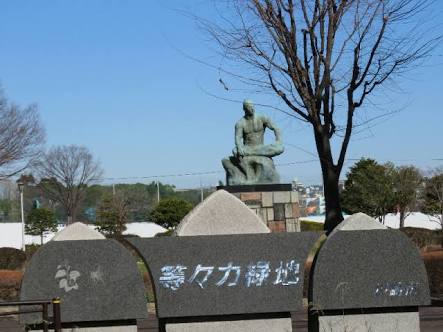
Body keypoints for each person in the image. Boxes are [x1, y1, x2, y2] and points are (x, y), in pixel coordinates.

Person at [222, 100, 284, 185]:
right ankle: (249, 176)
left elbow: (276, 128)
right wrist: (239, 147)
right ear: (244, 109)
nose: (252, 109)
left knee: (280, 148)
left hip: (261, 147)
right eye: (249, 107)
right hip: (248, 148)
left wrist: (278, 141)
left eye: (252, 106)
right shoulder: (240, 123)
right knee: (235, 151)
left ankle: (255, 153)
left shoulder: (262, 118)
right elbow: (237, 138)